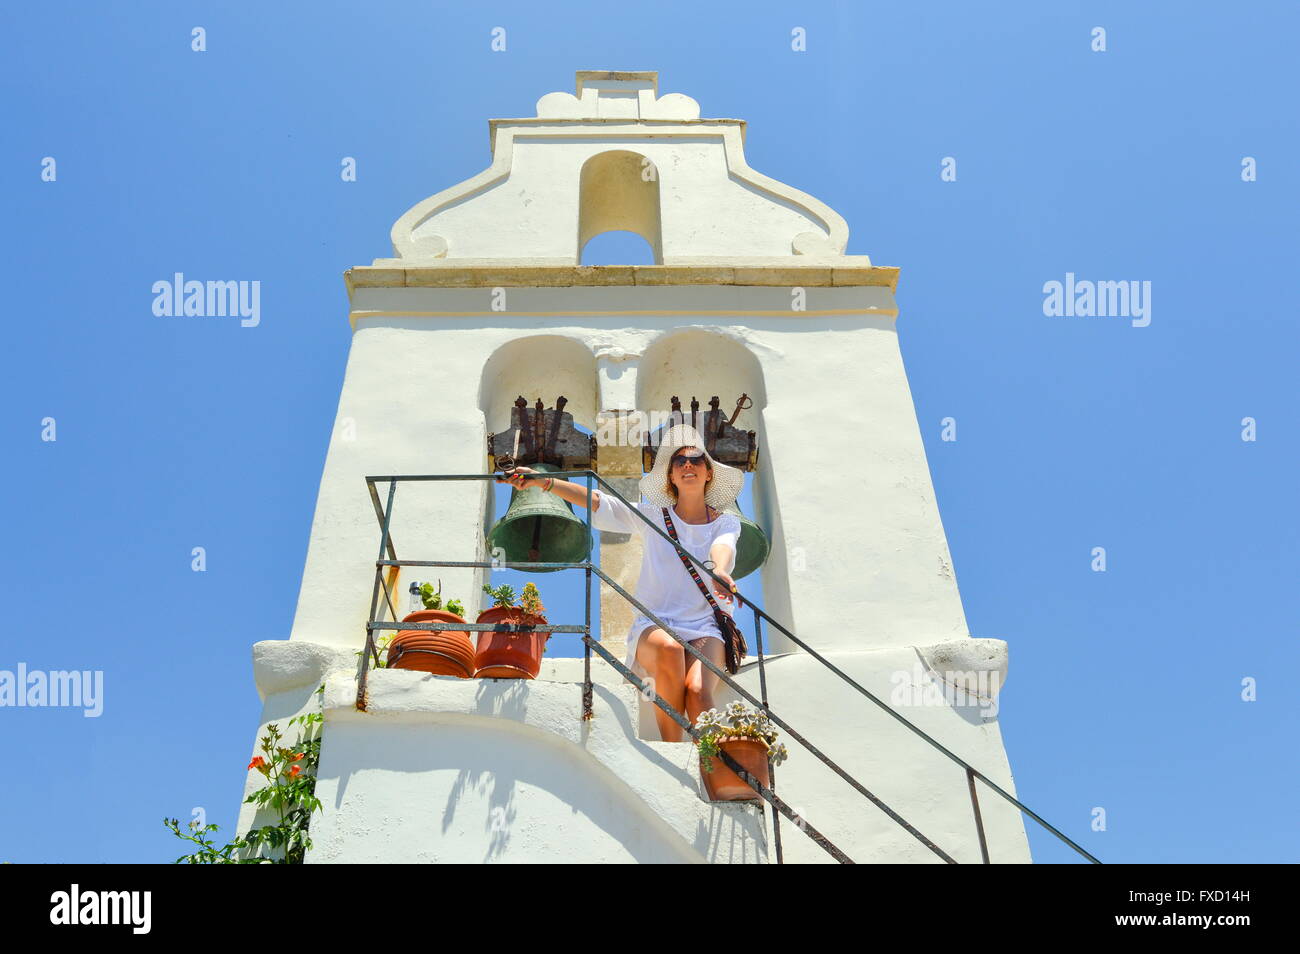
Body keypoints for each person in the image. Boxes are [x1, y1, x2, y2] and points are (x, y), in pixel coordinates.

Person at [497, 423, 745, 743]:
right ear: (670, 476)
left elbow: (721, 548)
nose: (687, 465)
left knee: (698, 690)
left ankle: (711, 764)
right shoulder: (655, 515)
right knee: (669, 650)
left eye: (696, 459)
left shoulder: (726, 522)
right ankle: (673, 749)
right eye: (678, 461)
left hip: (707, 625)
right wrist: (544, 482)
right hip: (657, 623)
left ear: (708, 473)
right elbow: (600, 502)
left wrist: (720, 572)